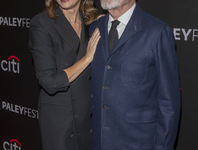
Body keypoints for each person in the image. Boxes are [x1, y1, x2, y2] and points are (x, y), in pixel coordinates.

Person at [89, 0, 180, 149]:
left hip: (139, 142)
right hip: (100, 142)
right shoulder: (94, 28)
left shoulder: (157, 31)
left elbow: (169, 103)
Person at [29, 0, 100, 149]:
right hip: (60, 120)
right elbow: (49, 82)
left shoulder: (92, 23)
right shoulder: (42, 23)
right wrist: (87, 58)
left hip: (88, 116)